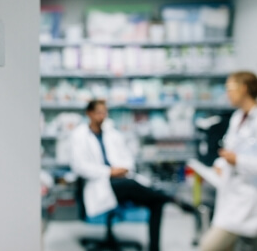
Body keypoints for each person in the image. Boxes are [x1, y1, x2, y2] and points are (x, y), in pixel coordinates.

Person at [70, 99, 195, 251]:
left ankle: (154, 247)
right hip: (98, 183)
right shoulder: (79, 135)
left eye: (104, 112)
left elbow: (128, 158)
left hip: (121, 181)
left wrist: (122, 169)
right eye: (98, 112)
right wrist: (109, 172)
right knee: (133, 185)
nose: (102, 116)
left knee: (156, 202)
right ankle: (171, 198)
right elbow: (80, 167)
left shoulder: (112, 134)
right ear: (89, 113)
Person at [200, 71, 257, 251]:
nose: (227, 94)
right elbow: (230, 149)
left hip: (250, 197)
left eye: (230, 89)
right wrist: (221, 163)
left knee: (209, 247)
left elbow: (238, 157)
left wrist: (237, 160)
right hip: (234, 195)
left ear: (244, 88)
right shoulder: (237, 117)